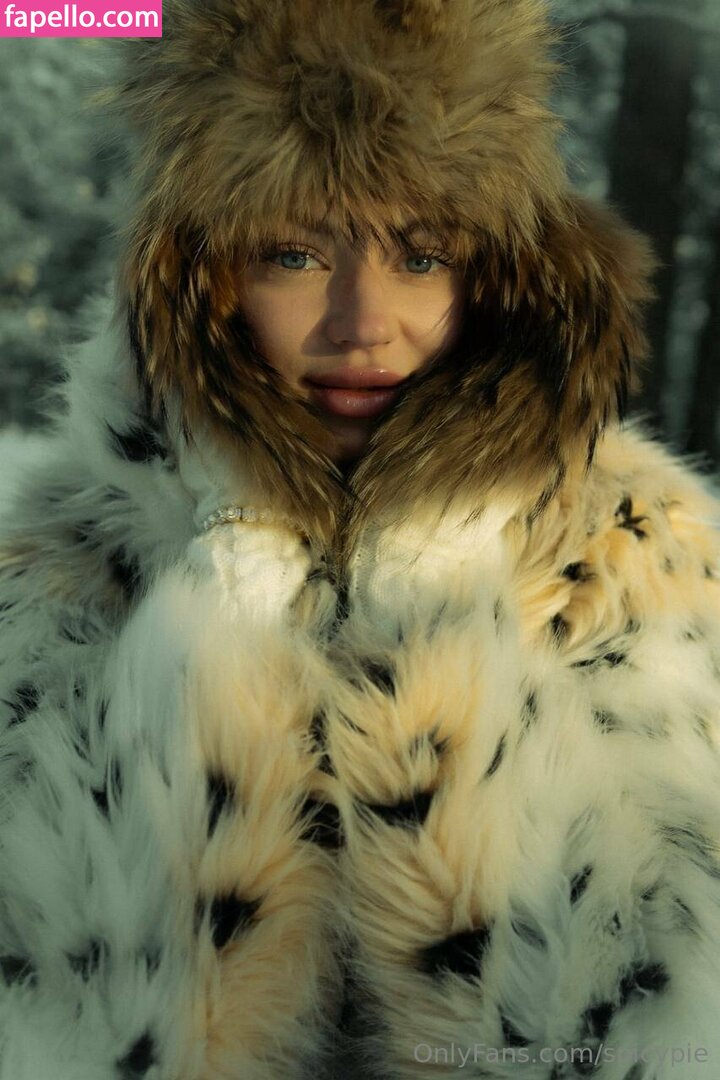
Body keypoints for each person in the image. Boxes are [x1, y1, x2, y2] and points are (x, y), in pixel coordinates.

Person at [1, 0, 719, 1077]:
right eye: (293, 253)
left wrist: (434, 625)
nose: (362, 322)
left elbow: (653, 1037)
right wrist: (223, 616)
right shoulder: (58, 565)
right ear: (199, 280)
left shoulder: (641, 556)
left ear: (503, 277)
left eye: (423, 257)